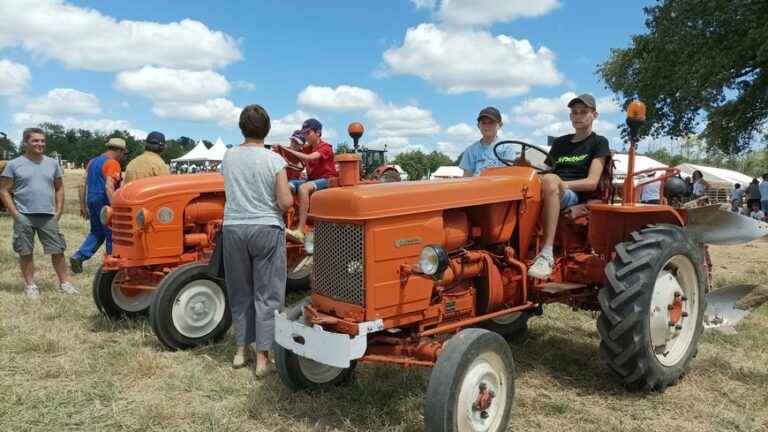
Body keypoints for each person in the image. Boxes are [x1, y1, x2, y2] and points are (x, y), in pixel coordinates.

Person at [221, 104, 293, 373]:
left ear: (242, 128)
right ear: (267, 129)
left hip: (234, 228)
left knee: (240, 291)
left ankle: (241, 349)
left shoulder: (228, 157)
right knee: (268, 294)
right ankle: (263, 357)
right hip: (266, 228)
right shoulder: (274, 160)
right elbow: (285, 202)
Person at [528, 94, 610, 279]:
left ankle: (546, 253)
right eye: (574, 112)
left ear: (594, 115)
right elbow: (545, 170)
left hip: (574, 194)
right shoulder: (560, 143)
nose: (578, 116)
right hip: (552, 189)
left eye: (583, 112)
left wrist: (560, 184)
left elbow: (592, 182)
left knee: (550, 181)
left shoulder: (598, 142)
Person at [0, 127, 77, 297]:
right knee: (25, 252)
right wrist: (15, 214)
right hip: (24, 216)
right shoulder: (13, 164)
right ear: (25, 142)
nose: (40, 144)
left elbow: (59, 188)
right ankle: (31, 286)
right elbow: (4, 190)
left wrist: (58, 211)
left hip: (48, 216)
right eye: (35, 140)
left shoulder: (52, 163)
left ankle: (65, 283)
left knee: (58, 250)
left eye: (42, 141)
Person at [69, 138, 125, 274]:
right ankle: (113, 266)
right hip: (104, 201)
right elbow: (109, 186)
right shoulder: (113, 163)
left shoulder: (93, 162)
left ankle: (79, 256)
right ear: (119, 150)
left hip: (91, 199)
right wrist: (115, 207)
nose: (123, 156)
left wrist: (82, 205)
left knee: (97, 232)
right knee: (113, 234)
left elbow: (82, 184)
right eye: (123, 153)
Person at [279, 119, 338, 242]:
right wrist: (281, 149)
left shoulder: (325, 147)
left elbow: (309, 157)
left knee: (303, 188)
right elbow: (295, 150)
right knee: (286, 186)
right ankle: (280, 222)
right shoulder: (307, 147)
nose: (306, 136)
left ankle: (300, 230)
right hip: (312, 179)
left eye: (308, 132)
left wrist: (289, 150)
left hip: (327, 180)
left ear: (318, 132)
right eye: (304, 133)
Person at [459, 107, 516, 176]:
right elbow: (467, 177)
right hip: (477, 185)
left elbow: (509, 175)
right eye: (484, 123)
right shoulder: (471, 150)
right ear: (478, 126)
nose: (487, 126)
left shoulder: (507, 149)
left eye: (491, 122)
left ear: (500, 125)